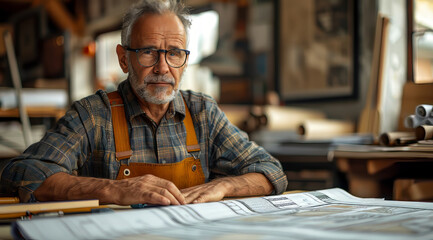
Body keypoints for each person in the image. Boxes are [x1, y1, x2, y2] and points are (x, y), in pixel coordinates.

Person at [0, 0, 287, 206]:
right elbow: (19, 173)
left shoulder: (203, 112)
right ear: (124, 58)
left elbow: (270, 171)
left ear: (184, 61)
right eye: (149, 52)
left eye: (174, 53)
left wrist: (224, 186)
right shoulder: (93, 115)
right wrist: (113, 190)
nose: (163, 67)